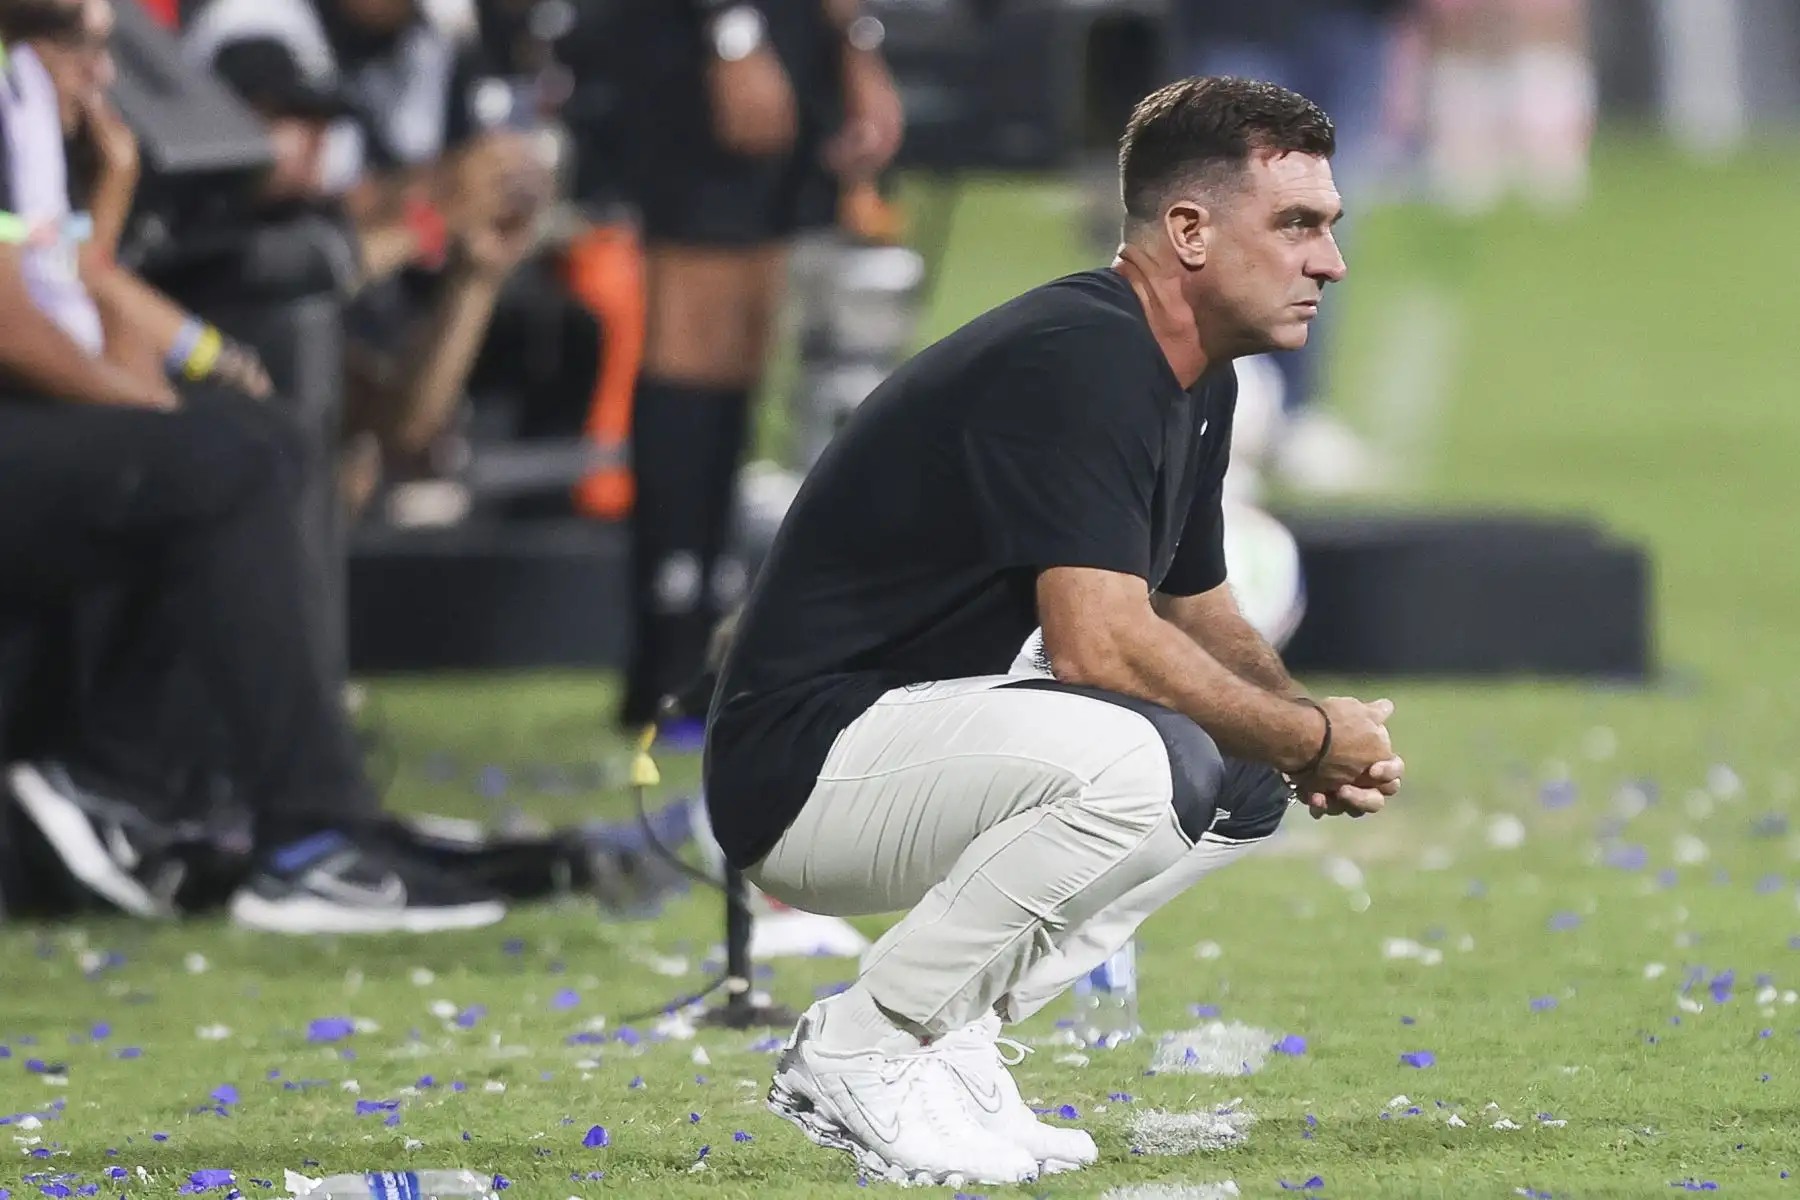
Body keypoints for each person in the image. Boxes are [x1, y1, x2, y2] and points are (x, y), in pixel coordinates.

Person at [704, 77, 1405, 1184]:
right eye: (1297, 225)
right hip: (802, 771)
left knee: (1236, 776)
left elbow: (1195, 607)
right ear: (1189, 231)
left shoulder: (1191, 371)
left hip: (915, 740)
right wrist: (1312, 737)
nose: (1330, 262)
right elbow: (1098, 646)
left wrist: (1301, 734)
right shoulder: (1086, 355)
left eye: (1327, 226)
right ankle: (865, 1042)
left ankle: (953, 1038)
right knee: (1149, 765)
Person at [0, 0, 506, 934]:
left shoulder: (33, 111)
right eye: (84, 46)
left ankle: (136, 791)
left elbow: (81, 300)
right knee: (230, 458)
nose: (105, 75)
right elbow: (13, 321)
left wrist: (112, 190)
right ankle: (309, 838)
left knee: (249, 443)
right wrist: (151, 412)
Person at [599, 0, 903, 733]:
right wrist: (730, 31)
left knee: (745, 336)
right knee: (697, 329)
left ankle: (709, 639)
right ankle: (667, 656)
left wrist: (853, 41)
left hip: (789, 34)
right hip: (708, 38)